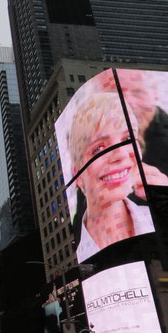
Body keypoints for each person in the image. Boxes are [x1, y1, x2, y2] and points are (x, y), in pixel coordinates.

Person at [66, 92, 165, 261]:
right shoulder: (74, 254)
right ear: (77, 175)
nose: (121, 154)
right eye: (99, 148)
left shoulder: (158, 217)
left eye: (127, 139)